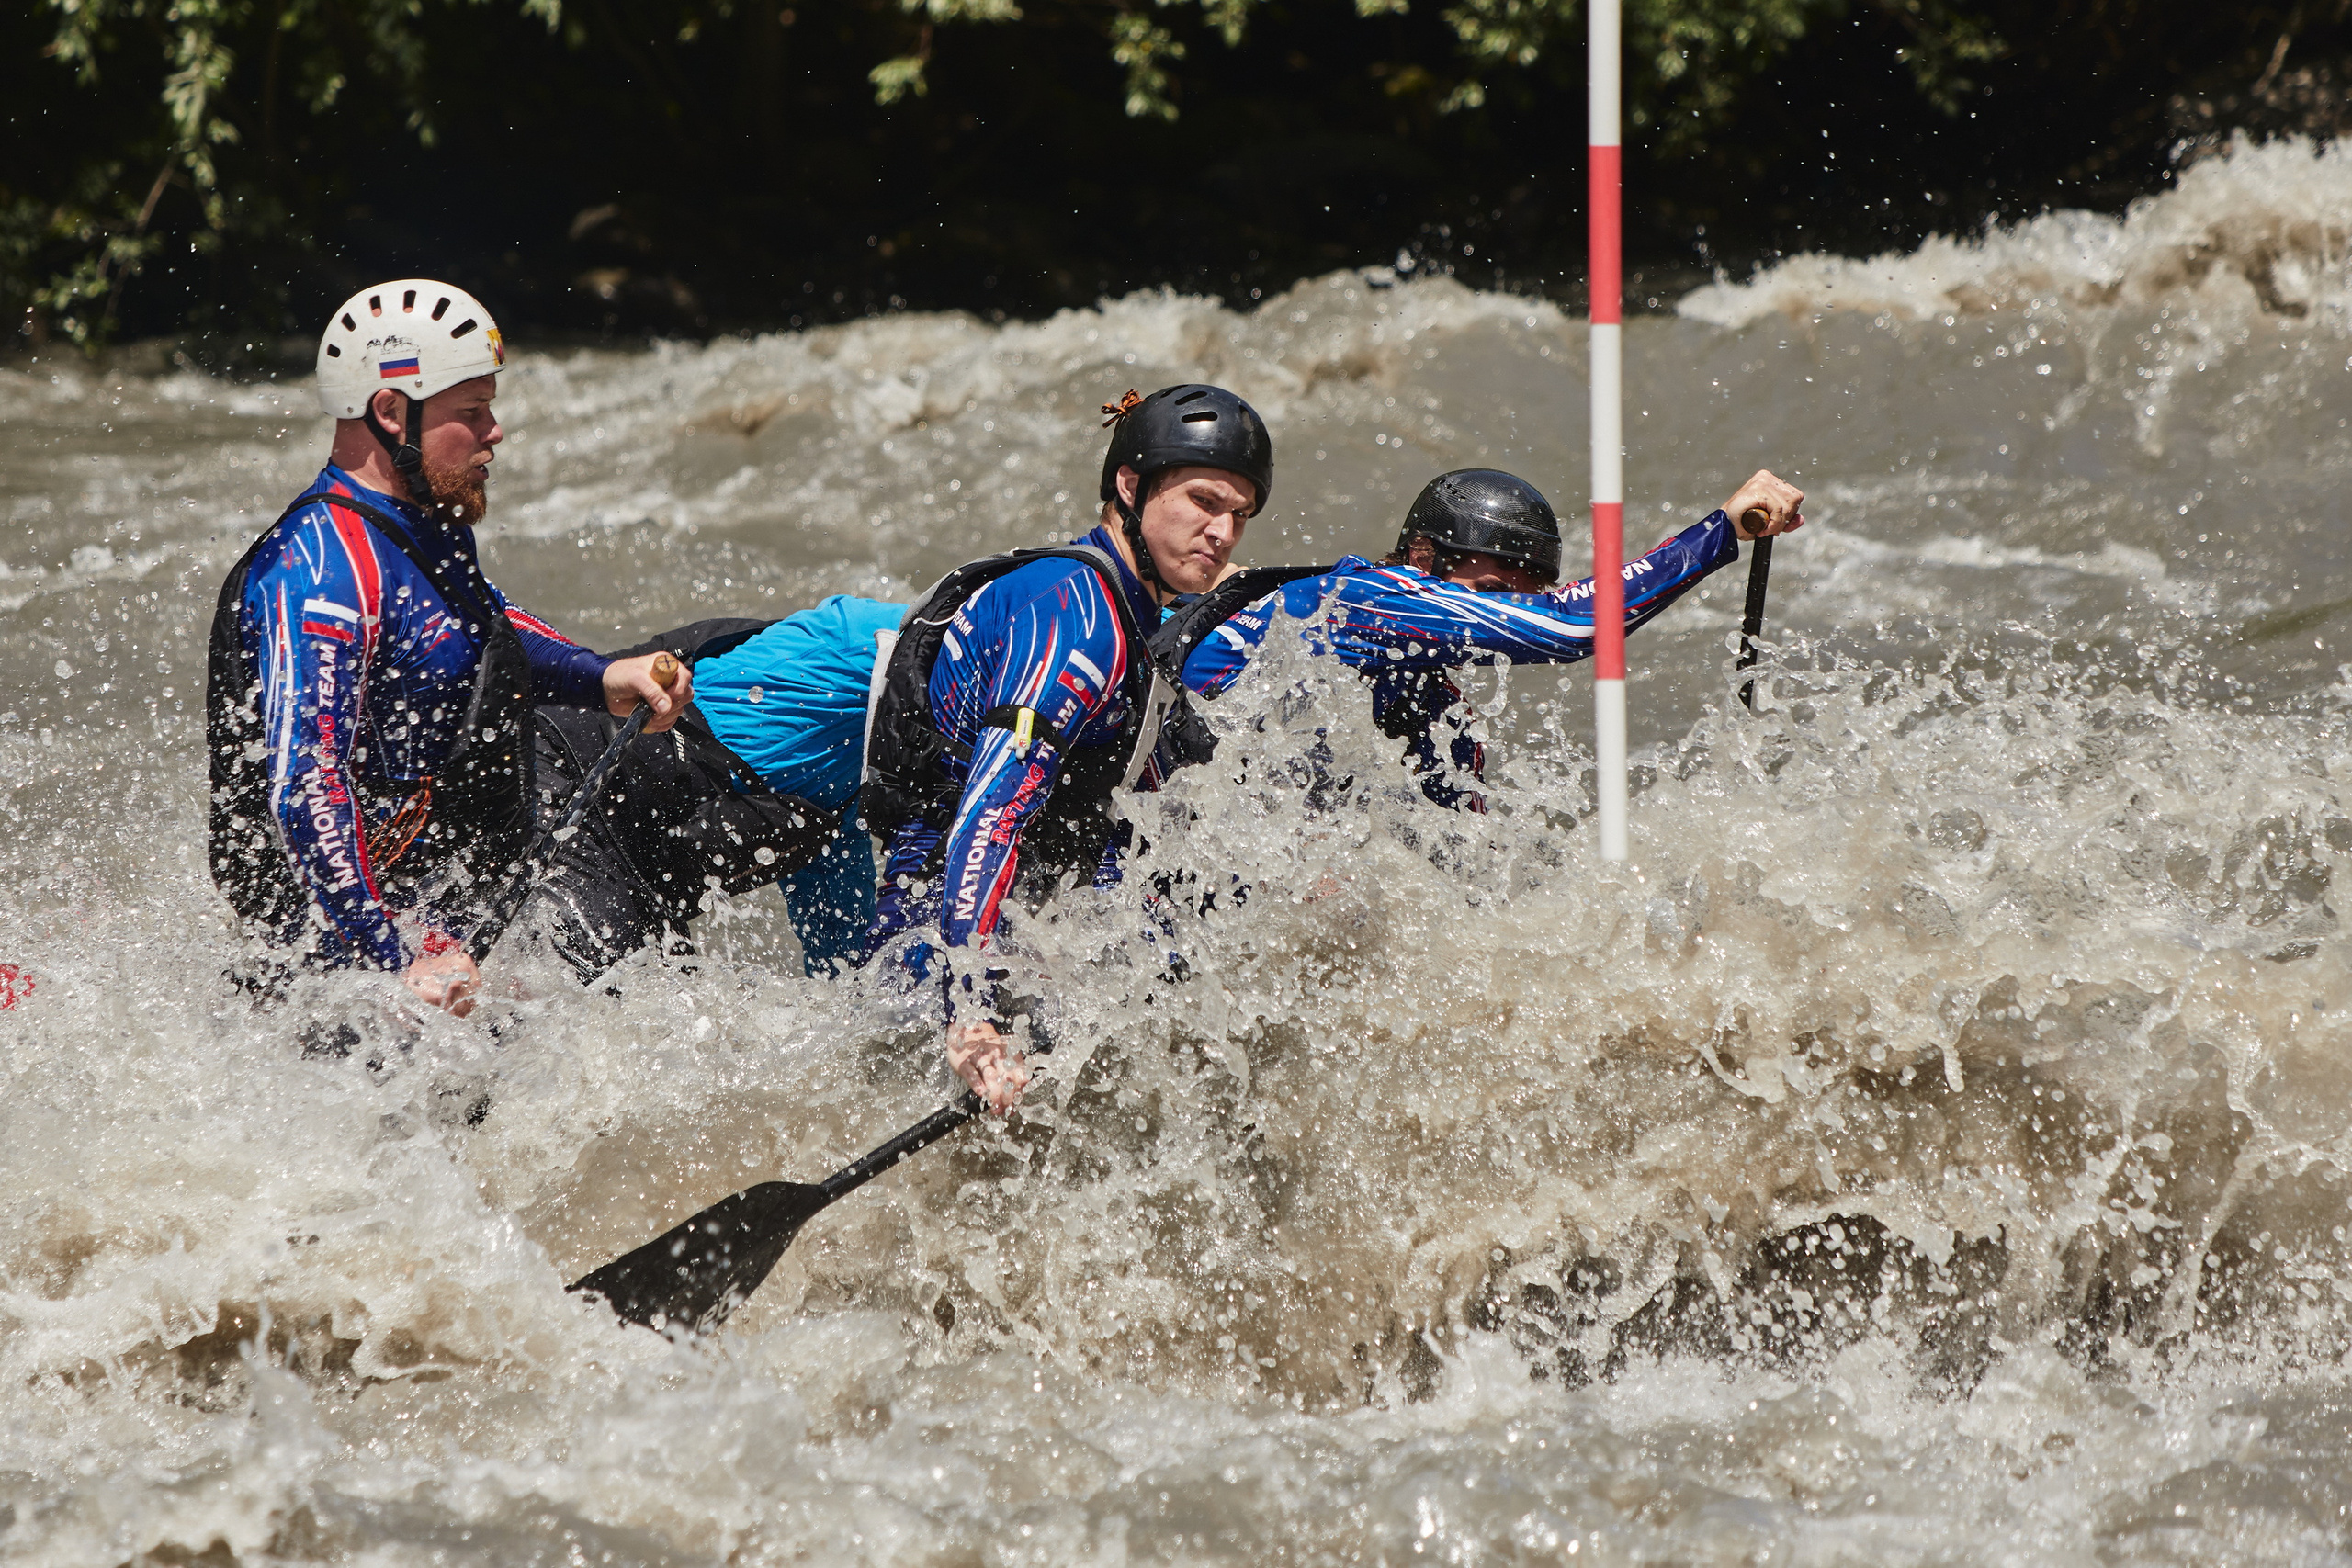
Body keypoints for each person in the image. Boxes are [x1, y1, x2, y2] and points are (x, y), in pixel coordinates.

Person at [205, 278, 687, 1017]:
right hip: (348, 973)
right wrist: (393, 961)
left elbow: (474, 627)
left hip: (431, 920)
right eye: (472, 412)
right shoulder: (322, 570)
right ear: (390, 411)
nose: (494, 431)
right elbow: (307, 783)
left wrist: (599, 677)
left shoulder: (412, 525)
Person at [856, 384, 1271, 1113]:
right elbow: (993, 814)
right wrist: (971, 1008)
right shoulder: (1077, 619)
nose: (1224, 532)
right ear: (1130, 484)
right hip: (939, 925)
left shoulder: (1139, 611)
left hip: (1029, 904)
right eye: (1204, 502)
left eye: (1239, 514)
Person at [1157, 466, 1805, 807]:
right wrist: (1721, 531)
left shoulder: (1437, 710)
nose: (1496, 619)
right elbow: (1569, 625)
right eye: (1491, 592)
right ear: (1420, 558)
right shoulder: (1363, 599)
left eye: (1518, 596)